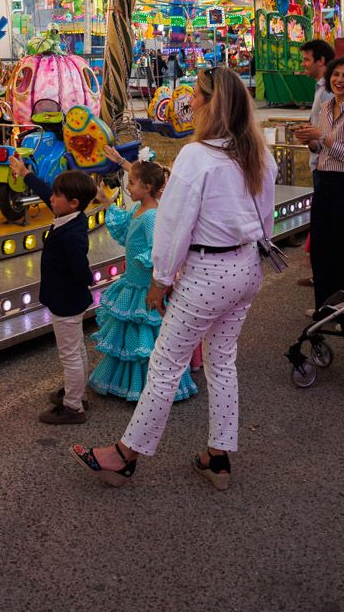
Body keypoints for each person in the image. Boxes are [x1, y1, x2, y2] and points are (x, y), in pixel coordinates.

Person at [70, 68, 273, 491]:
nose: (190, 102)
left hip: (207, 274)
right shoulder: (256, 153)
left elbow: (174, 224)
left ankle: (125, 455)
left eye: (197, 95)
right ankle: (218, 457)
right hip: (247, 267)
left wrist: (160, 278)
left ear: (211, 103)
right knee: (222, 363)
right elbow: (265, 216)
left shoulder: (197, 157)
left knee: (164, 366)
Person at [87, 155, 196, 403]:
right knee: (130, 336)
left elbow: (156, 250)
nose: (128, 187)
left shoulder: (151, 217)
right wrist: (104, 199)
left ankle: (146, 386)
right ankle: (126, 382)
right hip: (132, 282)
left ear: (147, 188)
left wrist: (156, 284)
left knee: (144, 337)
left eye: (133, 183)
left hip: (144, 287)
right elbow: (126, 232)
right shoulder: (139, 208)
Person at [9, 159, 97, 425]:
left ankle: (73, 408)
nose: (52, 198)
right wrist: (25, 174)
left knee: (69, 354)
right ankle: (77, 393)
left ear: (72, 202)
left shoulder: (71, 234)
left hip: (66, 300)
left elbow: (80, 267)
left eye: (58, 195)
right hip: (69, 298)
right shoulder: (69, 215)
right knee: (76, 349)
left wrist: (86, 280)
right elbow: (46, 191)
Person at [292, 56, 344, 312]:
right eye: (336, 74)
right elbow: (322, 148)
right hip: (326, 182)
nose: (339, 80)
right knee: (320, 248)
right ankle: (325, 308)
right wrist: (309, 140)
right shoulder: (327, 107)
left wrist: (322, 137)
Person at [299, 38, 336, 114]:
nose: (302, 64)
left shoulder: (328, 91)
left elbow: (330, 125)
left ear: (321, 61)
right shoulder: (322, 87)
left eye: (306, 60)